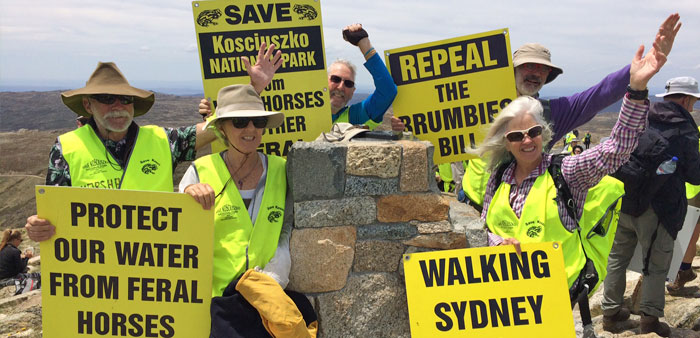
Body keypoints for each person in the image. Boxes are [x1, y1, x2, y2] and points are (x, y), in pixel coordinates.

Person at [472, 35, 667, 337]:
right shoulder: (498, 177)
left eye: (534, 131)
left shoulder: (566, 170)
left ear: (545, 132)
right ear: (504, 142)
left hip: (552, 302)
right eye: (515, 136)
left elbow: (615, 143)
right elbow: (483, 226)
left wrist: (635, 85)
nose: (526, 140)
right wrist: (495, 241)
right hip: (501, 302)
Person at [25, 43, 282, 242]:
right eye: (106, 98)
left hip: (155, 273)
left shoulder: (162, 141)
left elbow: (223, 127)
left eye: (125, 100)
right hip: (97, 276)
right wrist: (38, 226)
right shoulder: (66, 148)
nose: (118, 107)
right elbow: (52, 215)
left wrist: (253, 90)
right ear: (87, 105)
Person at [459, 13, 681, 210]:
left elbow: (597, 95)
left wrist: (634, 73)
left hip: (520, 211)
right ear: (513, 69)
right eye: (529, 66)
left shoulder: (551, 113)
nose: (536, 73)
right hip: (473, 202)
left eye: (543, 69)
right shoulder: (479, 102)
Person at [181, 84, 316, 337]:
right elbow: (182, 237)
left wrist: (272, 280)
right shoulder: (199, 171)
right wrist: (187, 198)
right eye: (240, 122)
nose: (251, 129)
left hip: (266, 302)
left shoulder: (282, 169)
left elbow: (286, 229)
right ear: (221, 128)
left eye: (257, 121)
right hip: (215, 308)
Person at [602, 77, 700, 336]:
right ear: (685, 99)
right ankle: (650, 320)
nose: (694, 106)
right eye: (694, 101)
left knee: (617, 258)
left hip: (626, 199)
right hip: (660, 207)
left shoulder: (641, 116)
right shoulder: (684, 129)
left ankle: (610, 313)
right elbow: (695, 175)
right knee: (656, 264)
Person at [199, 24, 403, 132]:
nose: (341, 86)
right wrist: (214, 118)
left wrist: (364, 44)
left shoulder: (354, 117)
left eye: (348, 83)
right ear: (323, 83)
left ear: (353, 92)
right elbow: (241, 130)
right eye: (335, 79)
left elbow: (387, 90)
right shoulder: (295, 111)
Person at [667, 125, 700, 293]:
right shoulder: (694, 131)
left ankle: (683, 271)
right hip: (692, 188)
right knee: (689, 234)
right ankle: (684, 271)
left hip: (691, 188)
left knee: (689, 234)